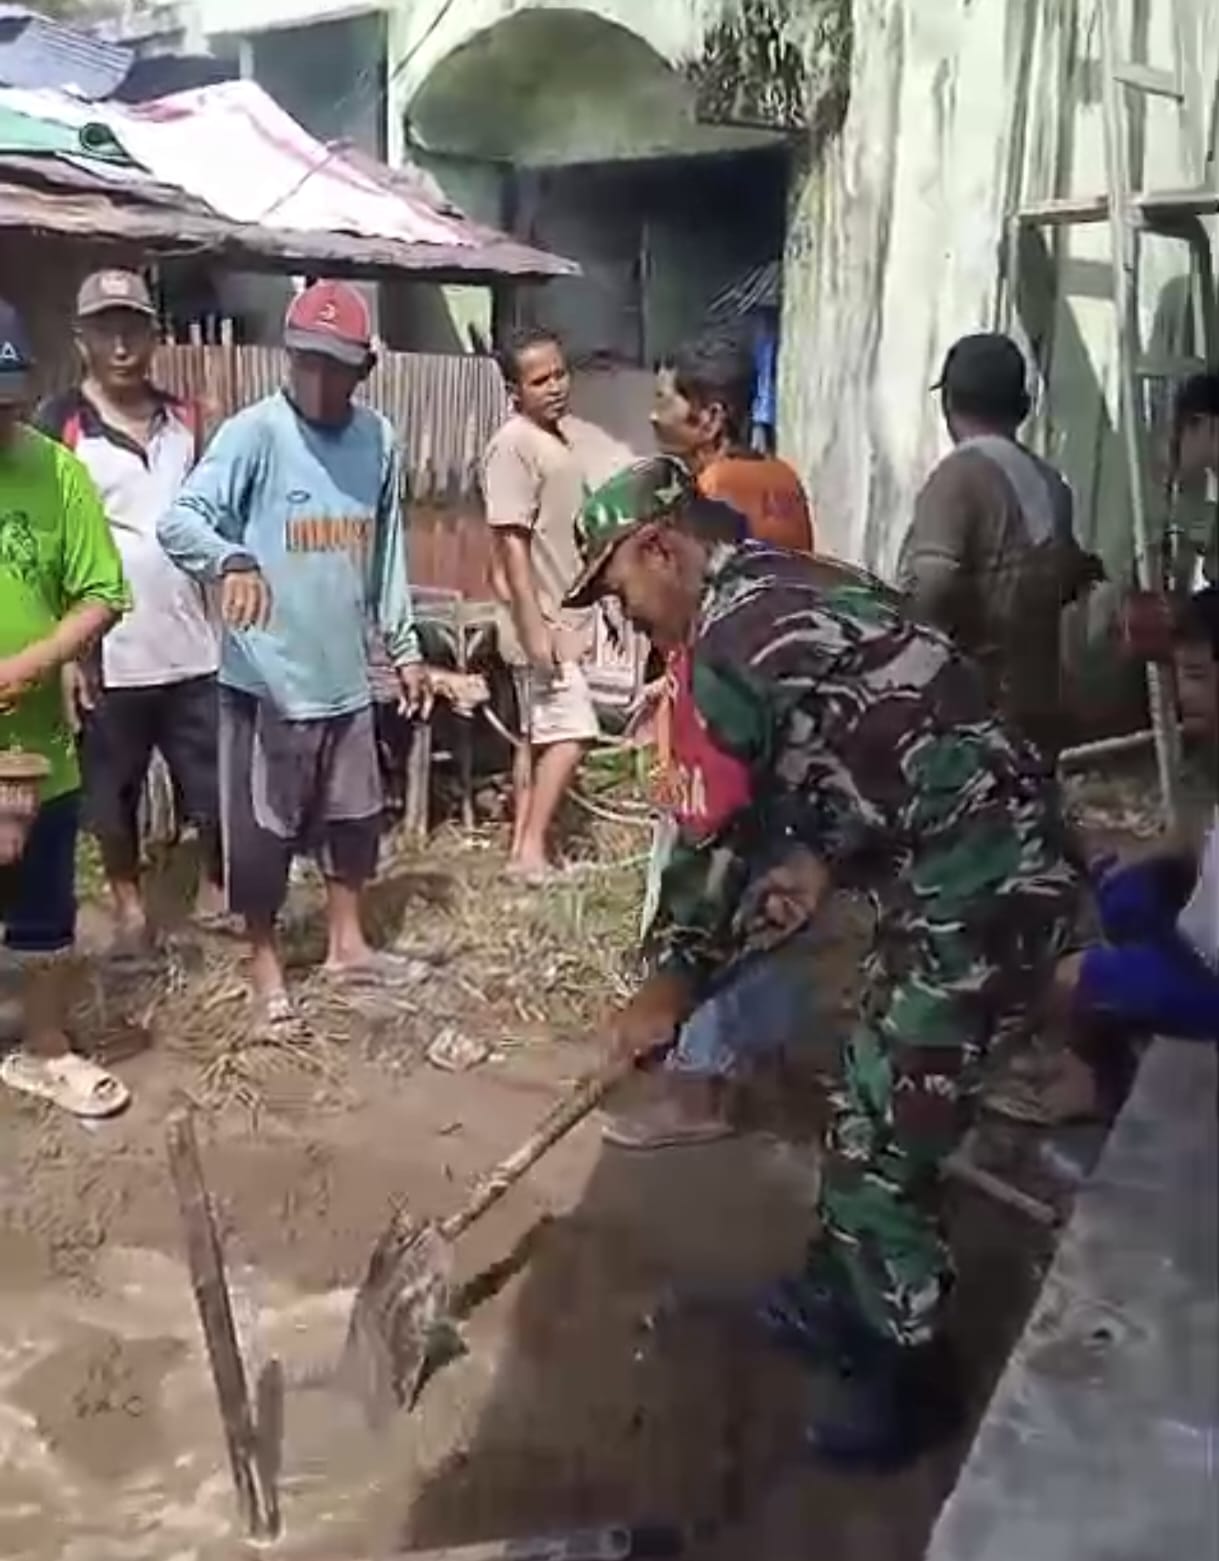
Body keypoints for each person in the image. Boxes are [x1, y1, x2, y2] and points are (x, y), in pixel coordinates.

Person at [562, 467, 1083, 1464]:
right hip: (964, 862)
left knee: (884, 1138)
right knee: (867, 1097)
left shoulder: (728, 641)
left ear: (660, 549)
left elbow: (710, 843)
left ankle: (908, 1375)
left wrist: (668, 982)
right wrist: (821, 856)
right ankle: (836, 1289)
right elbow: (879, 728)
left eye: (620, 591)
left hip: (977, 884)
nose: (627, 618)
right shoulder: (792, 580)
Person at [157, 280, 428, 1033]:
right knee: (261, 835)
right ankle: (265, 965)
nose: (318, 377)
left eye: (335, 364)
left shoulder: (377, 439)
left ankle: (347, 946)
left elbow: (387, 554)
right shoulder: (255, 434)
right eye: (306, 360)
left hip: (345, 676)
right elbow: (180, 522)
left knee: (354, 820)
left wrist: (404, 647)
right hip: (267, 681)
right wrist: (232, 560)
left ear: (364, 367)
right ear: (287, 356)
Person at [36, 270, 222, 955]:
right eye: (105, 329)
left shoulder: (188, 422)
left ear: (154, 335)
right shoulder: (59, 427)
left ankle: (217, 892)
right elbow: (46, 542)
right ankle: (129, 906)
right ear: (80, 338)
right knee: (112, 793)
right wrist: (66, 653)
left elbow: (214, 520)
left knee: (213, 785)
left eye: (133, 328)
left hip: (192, 644)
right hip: (107, 653)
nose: (121, 345)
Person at [0, 297, 133, 1117]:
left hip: (34, 748)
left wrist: (38, 660)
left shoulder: (57, 472)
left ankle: (44, 1047)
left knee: (45, 910)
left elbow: (102, 593)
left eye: (7, 404)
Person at [898, 332, 1103, 764]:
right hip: (1040, 702)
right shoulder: (1051, 482)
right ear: (1023, 407)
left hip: (974, 709)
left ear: (947, 404)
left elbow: (934, 584)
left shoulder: (956, 478)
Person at [482, 326, 631, 884]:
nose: (554, 387)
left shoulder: (555, 441)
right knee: (574, 734)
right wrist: (535, 625)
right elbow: (511, 544)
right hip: (540, 620)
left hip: (561, 617)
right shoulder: (513, 445)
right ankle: (530, 852)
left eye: (559, 374)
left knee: (538, 736)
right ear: (514, 390)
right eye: (539, 380)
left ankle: (523, 851)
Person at [651, 332, 813, 551]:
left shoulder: (712, 490)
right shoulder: (784, 475)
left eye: (663, 401)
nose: (653, 416)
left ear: (711, 418)